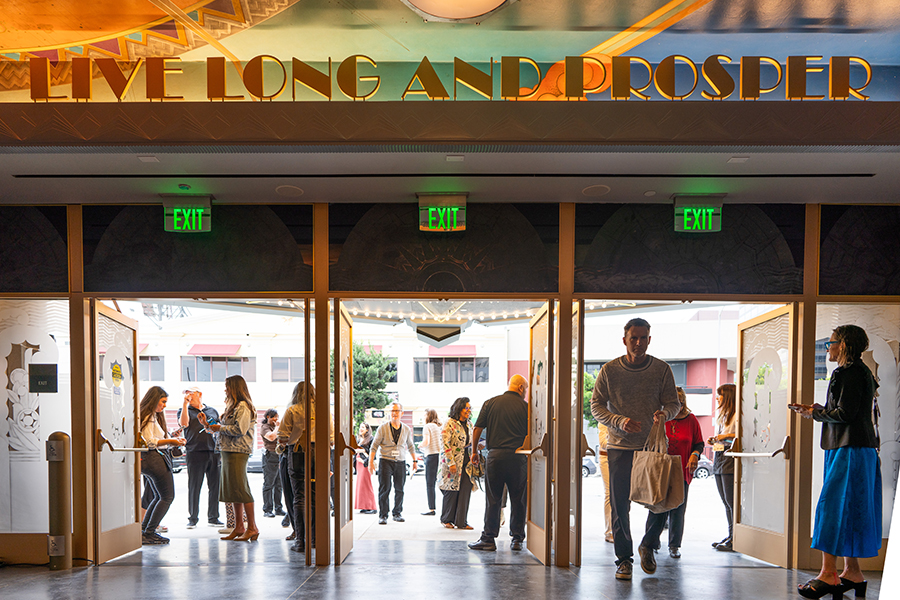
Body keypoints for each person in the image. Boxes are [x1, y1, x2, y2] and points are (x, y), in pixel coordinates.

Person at [791, 325, 882, 600]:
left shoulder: (849, 372)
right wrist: (817, 411)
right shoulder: (860, 371)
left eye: (829, 343)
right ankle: (852, 573)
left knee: (831, 507)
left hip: (850, 448)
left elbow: (845, 413)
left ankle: (828, 574)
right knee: (851, 508)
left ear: (842, 345)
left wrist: (815, 414)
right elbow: (849, 411)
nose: (827, 347)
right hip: (853, 447)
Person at [590, 318, 680, 580]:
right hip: (619, 447)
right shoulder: (609, 371)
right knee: (620, 506)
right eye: (633, 338)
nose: (638, 343)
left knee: (660, 502)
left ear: (649, 340)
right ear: (625, 340)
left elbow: (673, 403)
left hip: (652, 447)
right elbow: (597, 406)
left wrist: (664, 413)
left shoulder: (661, 370)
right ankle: (624, 560)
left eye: (643, 338)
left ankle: (648, 545)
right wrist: (618, 421)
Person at [468, 375, 529, 552]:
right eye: (525, 389)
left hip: (495, 457)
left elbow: (477, 428)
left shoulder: (490, 403)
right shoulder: (526, 407)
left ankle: (488, 538)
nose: (525, 393)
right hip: (518, 457)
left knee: (493, 499)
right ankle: (517, 539)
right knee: (518, 499)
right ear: (520, 388)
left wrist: (474, 452)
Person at [641, 387, 704, 559]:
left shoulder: (691, 420)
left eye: (680, 401)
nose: (679, 405)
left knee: (678, 509)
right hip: (661, 470)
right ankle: (651, 542)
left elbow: (699, 443)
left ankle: (674, 545)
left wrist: (695, 454)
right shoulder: (661, 418)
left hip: (682, 470)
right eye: (675, 402)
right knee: (657, 507)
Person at [199, 375, 259, 542]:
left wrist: (219, 427)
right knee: (233, 490)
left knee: (241, 488)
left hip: (238, 451)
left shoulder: (243, 406)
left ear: (234, 387)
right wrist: (207, 425)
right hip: (228, 450)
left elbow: (240, 429)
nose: (225, 389)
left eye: (227, 386)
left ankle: (252, 527)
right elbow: (224, 430)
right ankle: (239, 526)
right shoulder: (233, 406)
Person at [277, 381, 328, 553]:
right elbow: (331, 435)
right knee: (314, 497)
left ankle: (301, 541)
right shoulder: (322, 410)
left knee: (299, 496)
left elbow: (282, 436)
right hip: (318, 453)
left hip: (298, 452)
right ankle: (314, 539)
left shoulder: (292, 410)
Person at [138, 386, 185, 545]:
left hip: (153, 459)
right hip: (154, 459)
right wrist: (171, 441)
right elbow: (149, 442)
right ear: (154, 400)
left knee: (159, 496)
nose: (164, 405)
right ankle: (149, 531)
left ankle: (145, 531)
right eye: (163, 401)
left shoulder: (150, 416)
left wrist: (171, 440)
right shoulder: (148, 417)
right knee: (167, 496)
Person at [176, 386, 222, 529]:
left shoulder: (212, 411)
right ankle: (193, 518)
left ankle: (213, 517)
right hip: (194, 452)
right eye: (185, 393)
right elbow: (183, 424)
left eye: (190, 392)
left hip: (213, 451)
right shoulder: (184, 410)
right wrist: (184, 404)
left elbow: (218, 427)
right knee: (194, 486)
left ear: (199, 394)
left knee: (215, 486)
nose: (187, 395)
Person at [369, 402, 417, 525]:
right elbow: (374, 446)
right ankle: (383, 515)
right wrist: (371, 462)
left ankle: (397, 513)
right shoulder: (383, 428)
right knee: (385, 489)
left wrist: (414, 461)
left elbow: (410, 446)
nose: (394, 413)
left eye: (396, 411)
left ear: (402, 413)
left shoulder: (406, 428)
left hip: (400, 462)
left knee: (399, 489)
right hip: (385, 461)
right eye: (392, 411)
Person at [709, 383, 737, 552]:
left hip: (729, 458)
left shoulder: (738, 415)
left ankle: (735, 538)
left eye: (719, 395)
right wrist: (716, 439)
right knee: (725, 502)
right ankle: (731, 535)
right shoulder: (724, 415)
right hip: (720, 456)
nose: (717, 398)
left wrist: (725, 436)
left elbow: (741, 434)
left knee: (731, 501)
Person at [440, 397, 474, 530]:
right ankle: (447, 519)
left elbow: (470, 441)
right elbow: (445, 443)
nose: (468, 411)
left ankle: (461, 521)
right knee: (451, 490)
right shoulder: (450, 423)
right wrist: (451, 462)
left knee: (465, 490)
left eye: (470, 408)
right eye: (466, 408)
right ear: (459, 408)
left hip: (467, 462)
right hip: (453, 461)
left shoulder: (470, 424)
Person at [260, 408, 285, 518]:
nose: (276, 419)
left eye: (277, 417)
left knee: (279, 484)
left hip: (279, 456)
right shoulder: (265, 427)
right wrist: (278, 427)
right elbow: (271, 437)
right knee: (268, 484)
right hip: (269, 456)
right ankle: (267, 509)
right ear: (268, 417)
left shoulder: (276, 426)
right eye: (274, 417)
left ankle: (278, 508)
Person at [420, 408, 442, 516]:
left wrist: (420, 445)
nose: (423, 417)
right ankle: (451, 505)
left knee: (430, 483)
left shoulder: (427, 426)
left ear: (428, 416)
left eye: (424, 415)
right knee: (442, 482)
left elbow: (426, 442)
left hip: (431, 456)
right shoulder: (439, 427)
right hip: (440, 456)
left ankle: (431, 509)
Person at [355, 423, 377, 514]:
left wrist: (364, 461)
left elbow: (372, 452)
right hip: (359, 463)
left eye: (363, 427)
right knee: (361, 485)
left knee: (367, 484)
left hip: (365, 463)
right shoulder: (359, 439)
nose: (361, 429)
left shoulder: (371, 439)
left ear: (367, 429)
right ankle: (365, 506)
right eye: (360, 427)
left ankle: (372, 507)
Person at [597, 424, 613, 543]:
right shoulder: (604, 419)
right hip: (606, 458)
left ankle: (618, 529)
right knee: (610, 493)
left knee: (622, 495)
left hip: (624, 457)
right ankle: (610, 531)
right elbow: (603, 443)